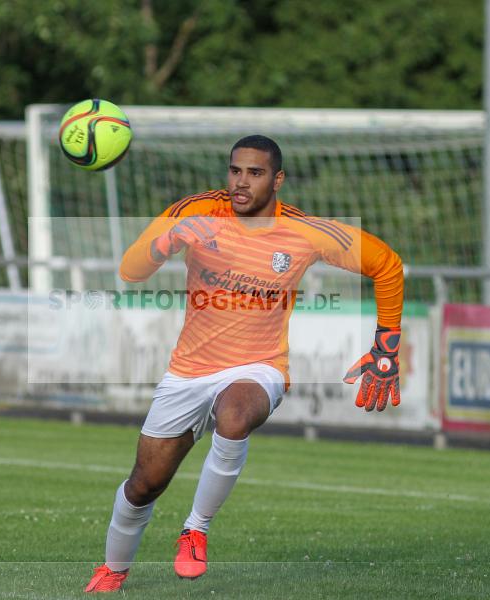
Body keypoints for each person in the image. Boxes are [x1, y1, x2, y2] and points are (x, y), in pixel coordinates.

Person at [84, 135, 404, 593]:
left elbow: (387, 264)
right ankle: (112, 570)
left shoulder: (305, 231)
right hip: (188, 372)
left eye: (255, 173)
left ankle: (196, 529)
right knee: (143, 486)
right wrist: (167, 242)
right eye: (235, 170)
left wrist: (386, 346)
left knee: (234, 417)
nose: (241, 181)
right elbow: (130, 270)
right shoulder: (194, 210)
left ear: (278, 180)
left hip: (260, 366)